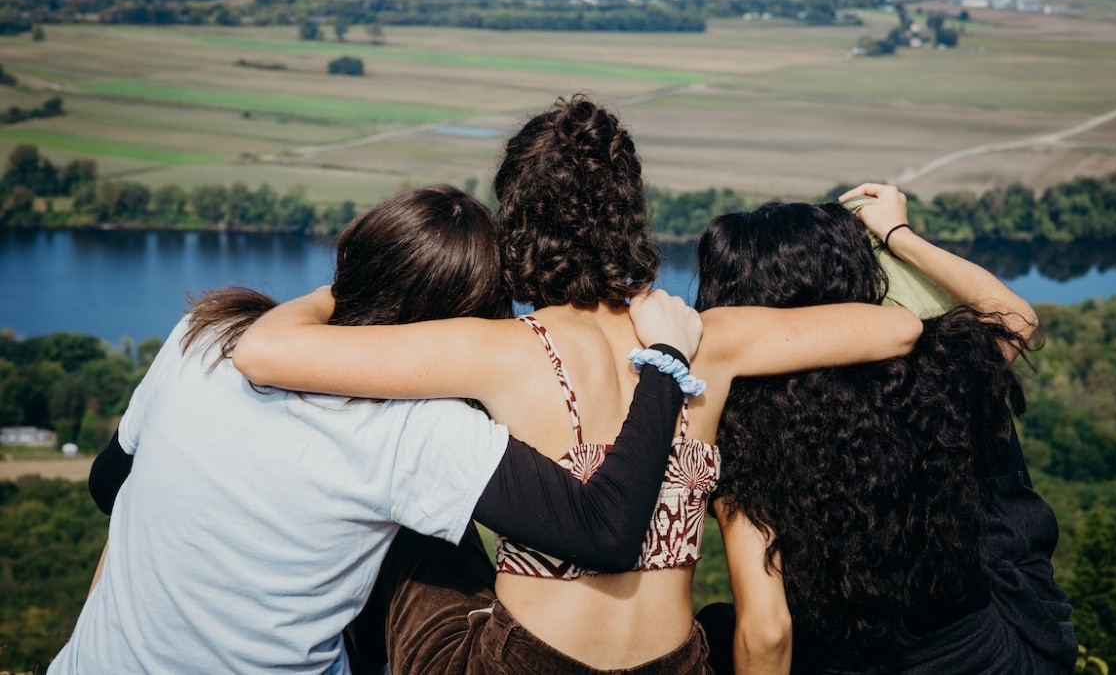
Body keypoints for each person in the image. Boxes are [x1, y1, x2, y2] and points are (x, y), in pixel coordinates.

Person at [232, 97, 924, 673]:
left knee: (407, 505)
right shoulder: (709, 338)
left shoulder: (493, 350)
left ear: (518, 221)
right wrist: (892, 231)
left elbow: (262, 352)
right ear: (629, 215)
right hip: (674, 663)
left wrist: (335, 288)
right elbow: (897, 330)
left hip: (529, 663)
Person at [49, 185, 706, 675]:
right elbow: (605, 530)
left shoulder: (205, 337)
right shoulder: (416, 432)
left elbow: (110, 484)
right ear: (453, 326)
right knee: (423, 519)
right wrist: (664, 362)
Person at [694, 183, 1078, 674]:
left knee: (715, 627)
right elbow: (1015, 318)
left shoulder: (740, 432)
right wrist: (899, 234)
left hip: (840, 662)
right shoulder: (932, 369)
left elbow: (767, 633)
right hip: (989, 656)